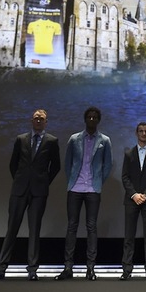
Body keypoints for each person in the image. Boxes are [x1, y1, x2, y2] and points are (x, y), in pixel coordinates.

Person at [0, 109, 61, 281]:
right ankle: (0, 268)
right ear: (31, 120)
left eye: (41, 119)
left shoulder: (52, 141)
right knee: (12, 228)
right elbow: (13, 164)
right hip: (19, 190)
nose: (38, 121)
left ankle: (32, 270)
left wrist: (43, 182)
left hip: (38, 192)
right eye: (36, 118)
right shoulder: (21, 139)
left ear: (46, 122)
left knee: (34, 230)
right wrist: (21, 180)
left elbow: (55, 166)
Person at [55, 106, 113, 281]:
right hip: (75, 188)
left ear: (99, 120)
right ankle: (68, 267)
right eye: (89, 117)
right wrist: (72, 180)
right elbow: (67, 163)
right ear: (85, 119)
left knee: (91, 227)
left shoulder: (105, 140)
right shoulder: (74, 139)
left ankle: (90, 268)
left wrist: (97, 183)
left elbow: (107, 165)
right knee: (72, 226)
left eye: (95, 117)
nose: (92, 120)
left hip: (93, 190)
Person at [120, 121, 146, 280]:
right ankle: (126, 269)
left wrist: (145, 194)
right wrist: (134, 195)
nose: (144, 133)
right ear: (136, 133)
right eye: (141, 131)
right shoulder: (129, 153)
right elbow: (125, 177)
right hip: (131, 200)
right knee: (129, 236)